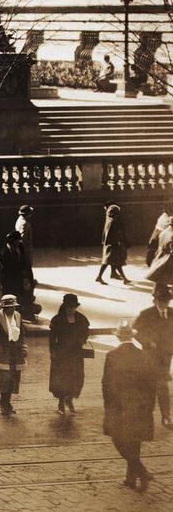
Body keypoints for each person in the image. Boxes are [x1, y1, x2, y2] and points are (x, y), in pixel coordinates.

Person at [104, 321, 158, 491]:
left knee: (118, 439)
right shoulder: (142, 355)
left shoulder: (112, 355)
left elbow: (106, 384)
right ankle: (131, 478)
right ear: (132, 337)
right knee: (134, 441)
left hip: (119, 406)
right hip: (139, 406)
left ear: (118, 336)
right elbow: (151, 383)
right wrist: (150, 406)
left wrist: (108, 406)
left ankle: (141, 472)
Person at [133, 283, 173, 429]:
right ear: (155, 300)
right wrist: (148, 342)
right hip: (149, 357)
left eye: (167, 302)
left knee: (162, 386)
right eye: (161, 301)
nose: (164, 305)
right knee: (148, 386)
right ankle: (145, 416)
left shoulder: (172, 312)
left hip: (165, 358)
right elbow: (135, 332)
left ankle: (166, 417)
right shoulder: (146, 314)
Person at [48, 293, 90, 414]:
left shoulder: (82, 319)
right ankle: (61, 402)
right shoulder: (57, 320)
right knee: (62, 378)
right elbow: (52, 338)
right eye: (68, 307)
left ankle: (69, 399)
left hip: (76, 354)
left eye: (73, 307)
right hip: (62, 355)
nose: (71, 309)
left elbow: (86, 333)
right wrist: (53, 352)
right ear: (65, 306)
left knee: (77, 378)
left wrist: (81, 341)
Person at [0, 294, 27, 415]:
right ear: (3, 308)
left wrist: (24, 348)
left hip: (16, 352)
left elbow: (22, 334)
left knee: (13, 379)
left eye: (13, 307)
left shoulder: (18, 316)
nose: (11, 309)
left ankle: (7, 403)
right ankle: (3, 403)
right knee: (5, 379)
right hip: (3, 353)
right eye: (8, 307)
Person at [97, 203, 128, 284]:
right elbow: (114, 234)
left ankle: (109, 274)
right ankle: (124, 279)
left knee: (109, 262)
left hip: (109, 245)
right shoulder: (113, 222)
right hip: (112, 245)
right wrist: (118, 242)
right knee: (114, 262)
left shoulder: (109, 220)